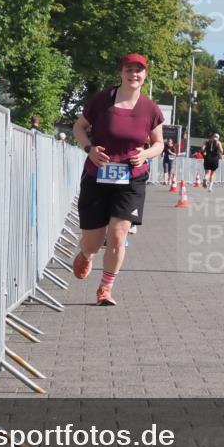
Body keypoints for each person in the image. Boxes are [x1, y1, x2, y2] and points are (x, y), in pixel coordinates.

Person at [71, 53, 164, 306]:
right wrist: (89, 148)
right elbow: (78, 127)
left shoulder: (150, 109)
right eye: (129, 70)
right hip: (97, 175)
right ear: (121, 73)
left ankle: (106, 288)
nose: (134, 75)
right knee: (93, 240)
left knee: (118, 234)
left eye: (139, 70)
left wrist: (145, 153)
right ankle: (87, 254)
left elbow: (159, 144)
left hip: (131, 178)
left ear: (145, 75)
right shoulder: (102, 101)